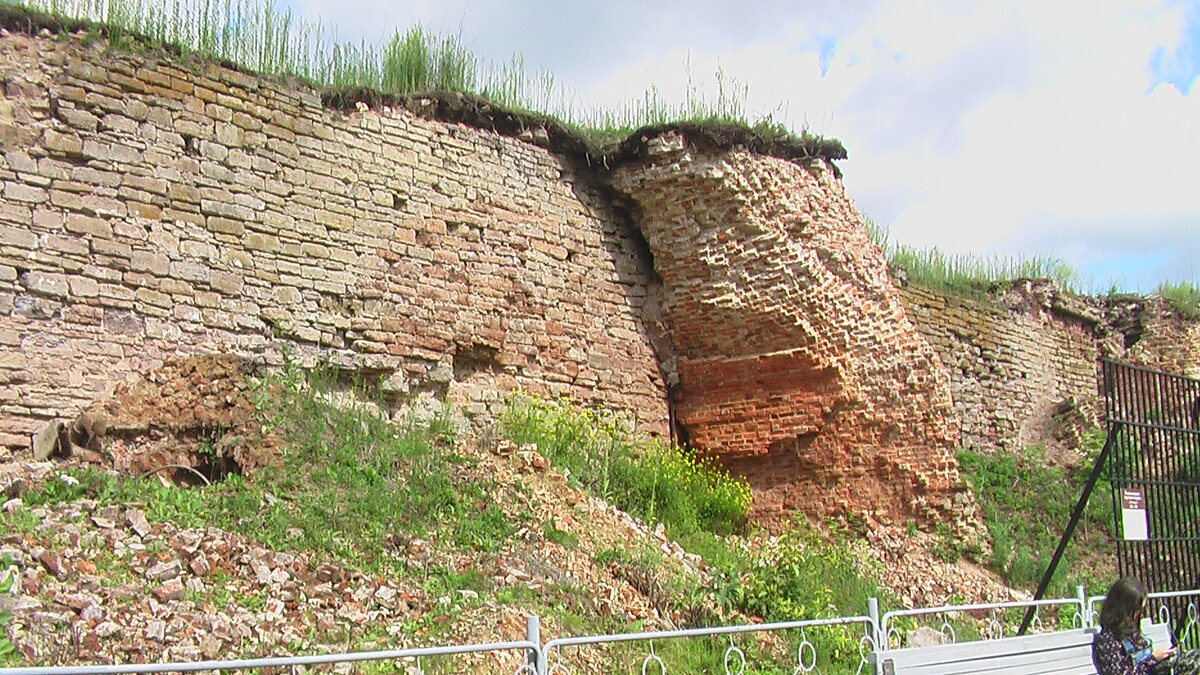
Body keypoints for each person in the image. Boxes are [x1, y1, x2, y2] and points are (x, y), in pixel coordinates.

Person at [1092, 576, 1200, 675]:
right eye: (1138, 610)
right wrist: (1152, 659)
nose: (1140, 614)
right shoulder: (1107, 641)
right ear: (1124, 610)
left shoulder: (1131, 633)